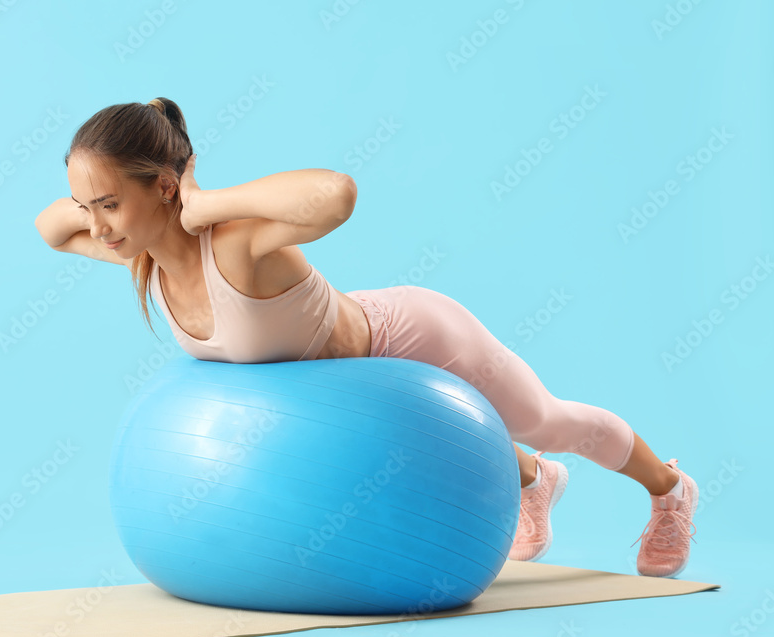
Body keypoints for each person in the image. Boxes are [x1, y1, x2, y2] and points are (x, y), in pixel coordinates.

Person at [34, 98, 698, 577]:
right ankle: (531, 479)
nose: (94, 226)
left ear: (166, 187)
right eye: (87, 205)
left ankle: (668, 488)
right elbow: (48, 227)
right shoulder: (141, 256)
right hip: (361, 397)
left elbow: (336, 195)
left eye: (110, 205)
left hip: (413, 336)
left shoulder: (239, 248)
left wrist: (205, 203)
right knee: (459, 440)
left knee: (547, 420)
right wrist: (103, 195)